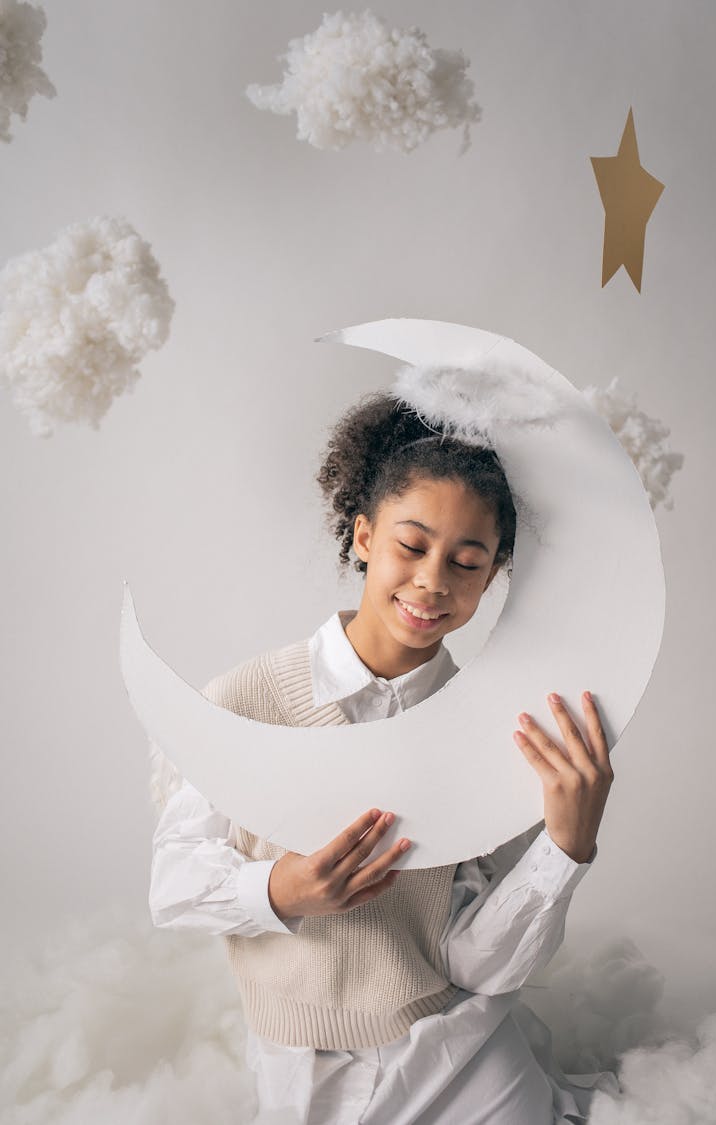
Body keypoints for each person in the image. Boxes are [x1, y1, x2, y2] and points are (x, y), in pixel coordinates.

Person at [148, 391, 621, 1123]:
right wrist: (285, 888)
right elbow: (173, 882)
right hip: (305, 1066)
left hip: (458, 1051)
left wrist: (567, 846)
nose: (434, 581)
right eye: (411, 545)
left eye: (468, 561)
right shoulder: (245, 698)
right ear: (364, 534)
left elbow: (480, 965)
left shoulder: (495, 736)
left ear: (493, 574)